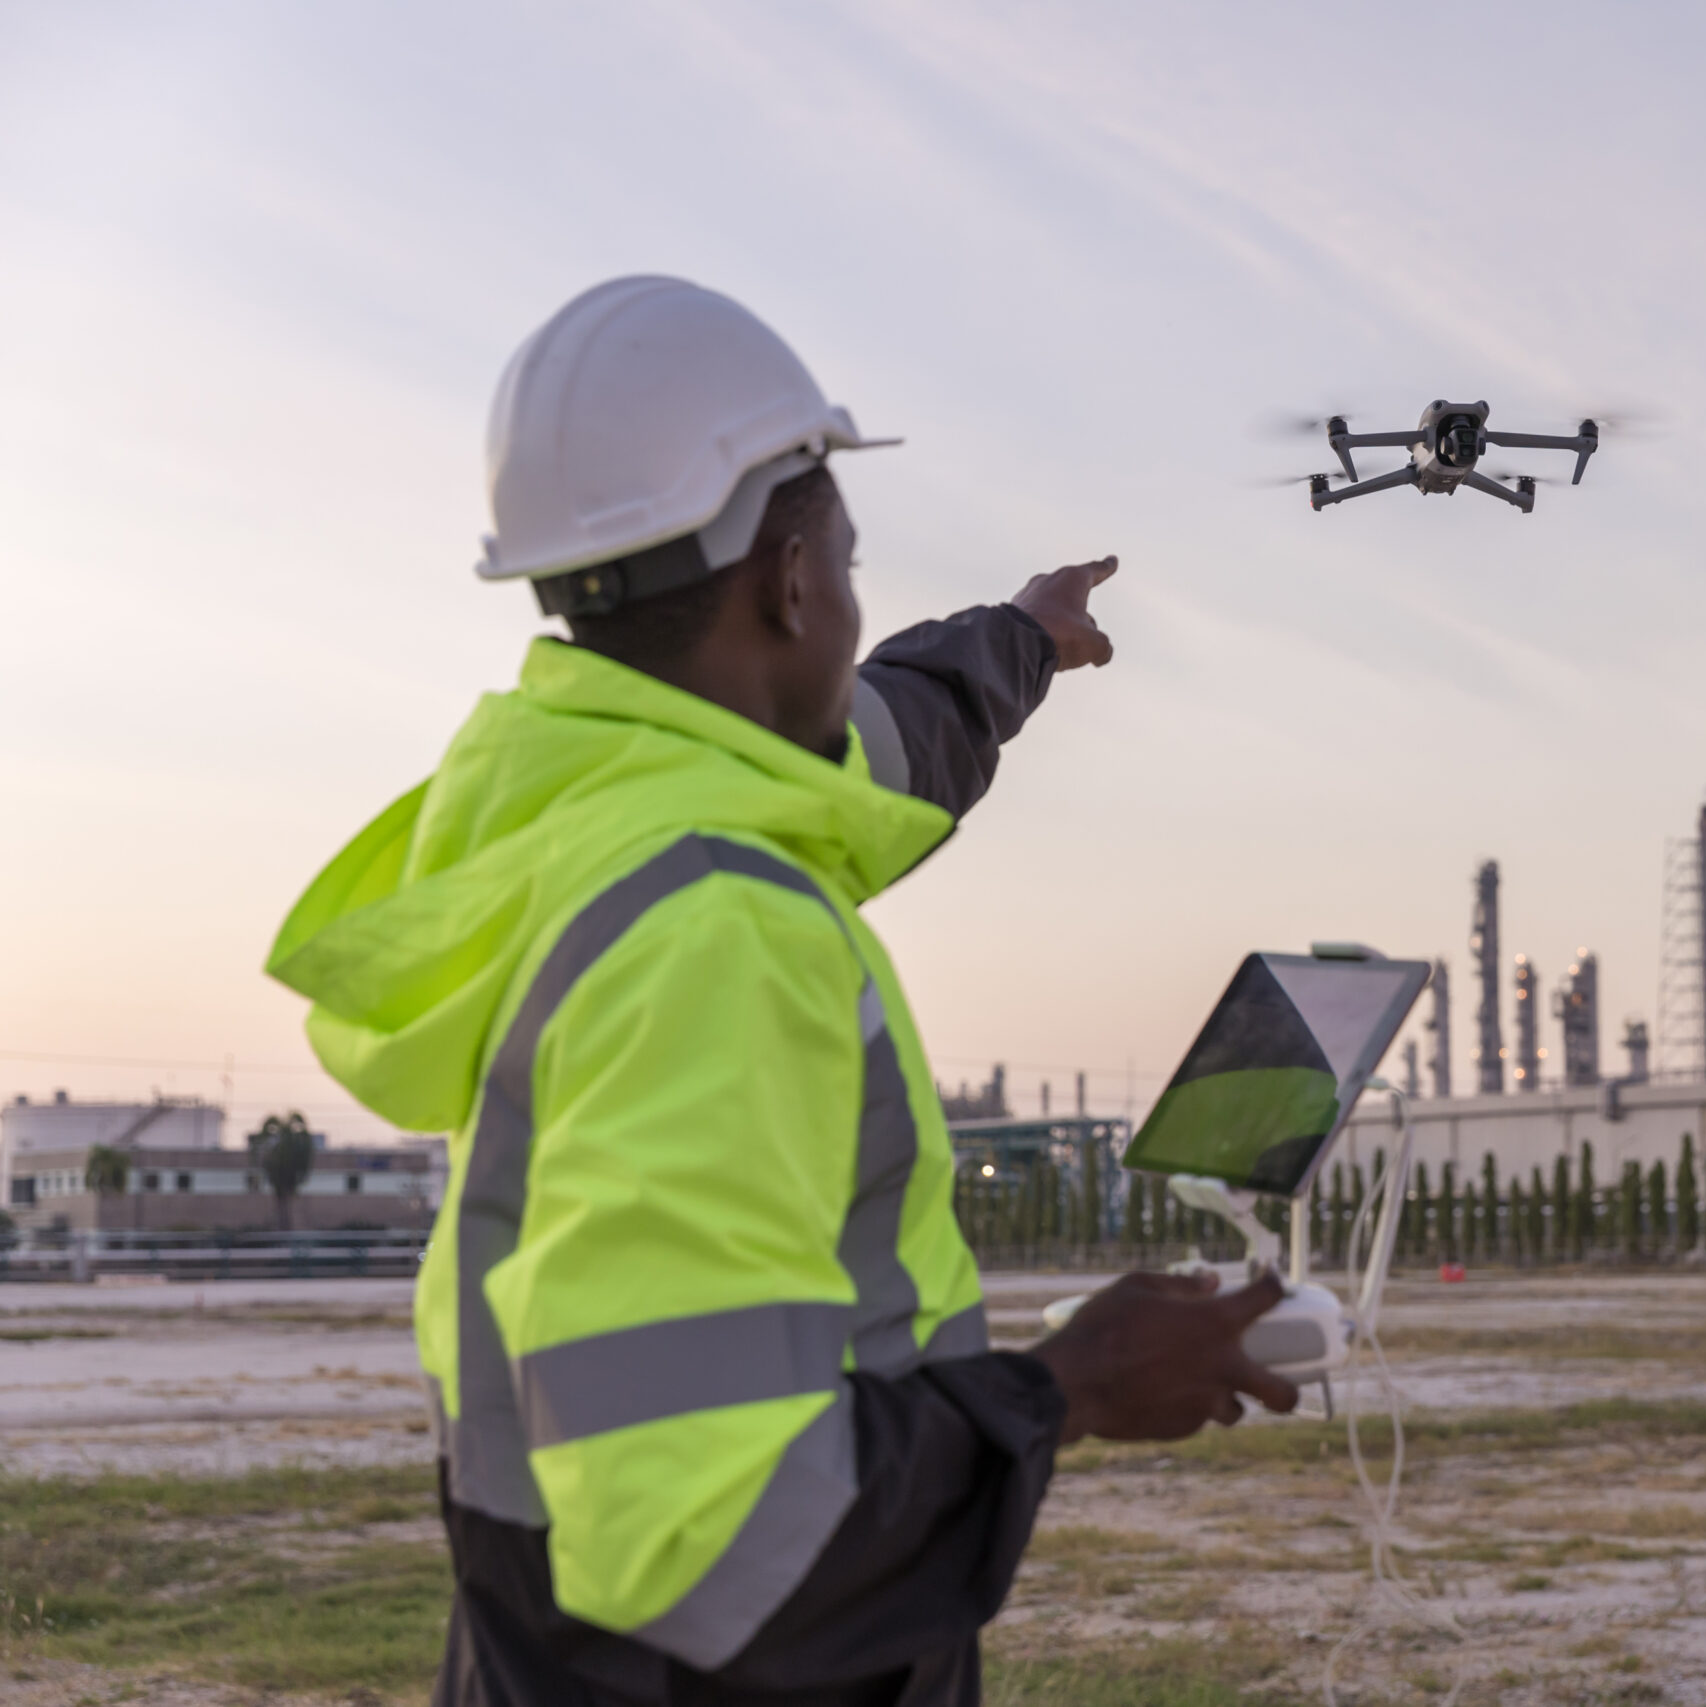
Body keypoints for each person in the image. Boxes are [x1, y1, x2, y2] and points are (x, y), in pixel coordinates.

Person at [266, 276, 1296, 1707]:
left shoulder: (583, 814)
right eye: (849, 566)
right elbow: (711, 1547)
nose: (853, 604)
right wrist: (1074, 1385)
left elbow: (886, 741)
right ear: (795, 579)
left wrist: (1024, 638)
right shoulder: (714, 929)